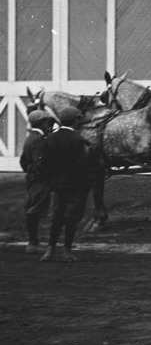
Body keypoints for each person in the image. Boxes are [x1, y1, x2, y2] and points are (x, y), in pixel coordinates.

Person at [40, 106, 91, 262]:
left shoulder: (50, 138)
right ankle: (66, 251)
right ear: (75, 121)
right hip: (75, 184)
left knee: (57, 217)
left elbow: (45, 164)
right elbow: (82, 165)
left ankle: (49, 250)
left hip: (57, 184)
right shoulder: (78, 139)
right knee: (71, 218)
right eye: (78, 119)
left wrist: (51, 182)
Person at [21, 110, 55, 254]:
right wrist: (46, 177)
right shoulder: (38, 140)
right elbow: (40, 163)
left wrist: (30, 172)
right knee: (35, 209)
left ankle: (33, 241)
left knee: (33, 208)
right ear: (42, 123)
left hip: (33, 178)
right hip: (40, 180)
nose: (49, 125)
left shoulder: (31, 138)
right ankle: (33, 243)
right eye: (47, 122)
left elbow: (23, 161)